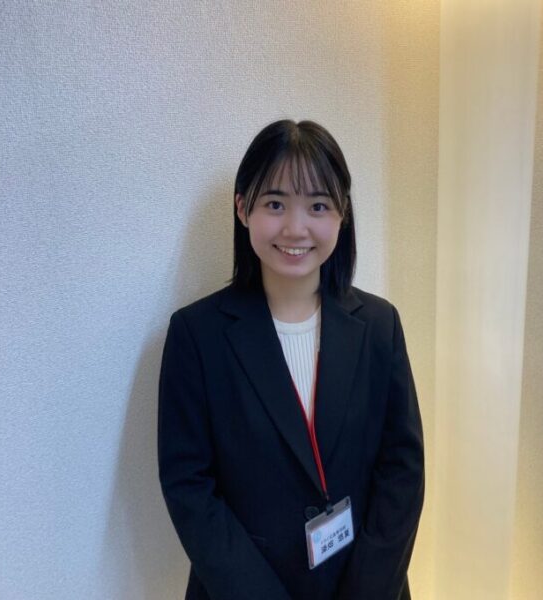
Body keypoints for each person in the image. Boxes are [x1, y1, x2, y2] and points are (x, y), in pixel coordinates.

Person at [158, 119, 424, 600]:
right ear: (243, 208)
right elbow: (189, 486)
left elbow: (402, 470)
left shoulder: (380, 325)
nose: (295, 228)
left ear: (342, 214)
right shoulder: (196, 335)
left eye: (318, 205)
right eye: (275, 204)